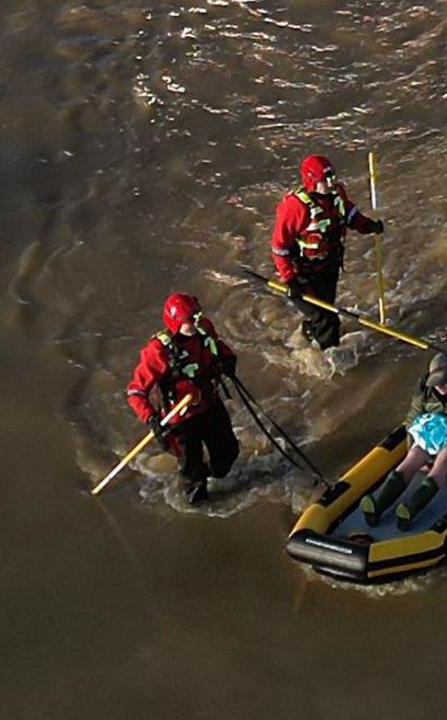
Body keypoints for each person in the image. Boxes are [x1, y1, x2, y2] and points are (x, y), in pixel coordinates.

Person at [125, 292, 243, 504]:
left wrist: (227, 359)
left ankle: (210, 471)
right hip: (181, 419)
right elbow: (136, 392)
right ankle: (197, 494)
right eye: (191, 320)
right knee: (193, 477)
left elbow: (217, 346)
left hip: (209, 404)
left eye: (198, 316)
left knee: (227, 455)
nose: (197, 322)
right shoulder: (159, 351)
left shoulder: (204, 329)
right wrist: (150, 418)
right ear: (176, 322)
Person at [269, 153, 382, 349]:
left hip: (328, 266)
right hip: (303, 275)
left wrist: (368, 225)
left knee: (324, 309)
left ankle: (309, 333)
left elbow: (349, 214)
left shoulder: (337, 194)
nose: (332, 182)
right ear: (312, 181)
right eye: (325, 179)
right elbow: (280, 246)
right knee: (327, 321)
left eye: (332, 177)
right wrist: (290, 279)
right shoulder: (295, 207)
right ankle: (330, 358)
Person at [371, 347, 447, 524]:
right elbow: (412, 419)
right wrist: (413, 446)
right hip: (434, 434)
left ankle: (411, 509)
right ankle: (379, 505)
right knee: (412, 457)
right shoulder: (426, 391)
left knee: (444, 458)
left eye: (443, 382)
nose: (439, 387)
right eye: (436, 383)